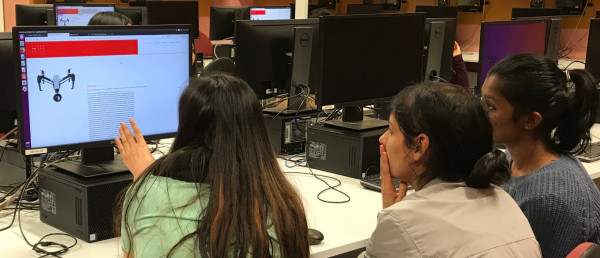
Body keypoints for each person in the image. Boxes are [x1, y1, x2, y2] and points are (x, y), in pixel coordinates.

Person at [114, 73, 310, 257]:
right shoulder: (283, 206)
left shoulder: (141, 194)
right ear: (255, 135)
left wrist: (145, 180)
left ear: (185, 128)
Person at [361, 82, 541, 257]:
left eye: (391, 131)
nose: (382, 139)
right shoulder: (505, 200)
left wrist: (392, 217)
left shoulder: (402, 222)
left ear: (419, 146)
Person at [482, 53, 600, 258]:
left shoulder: (547, 200)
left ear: (530, 120)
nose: (480, 112)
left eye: (490, 106)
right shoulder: (516, 159)